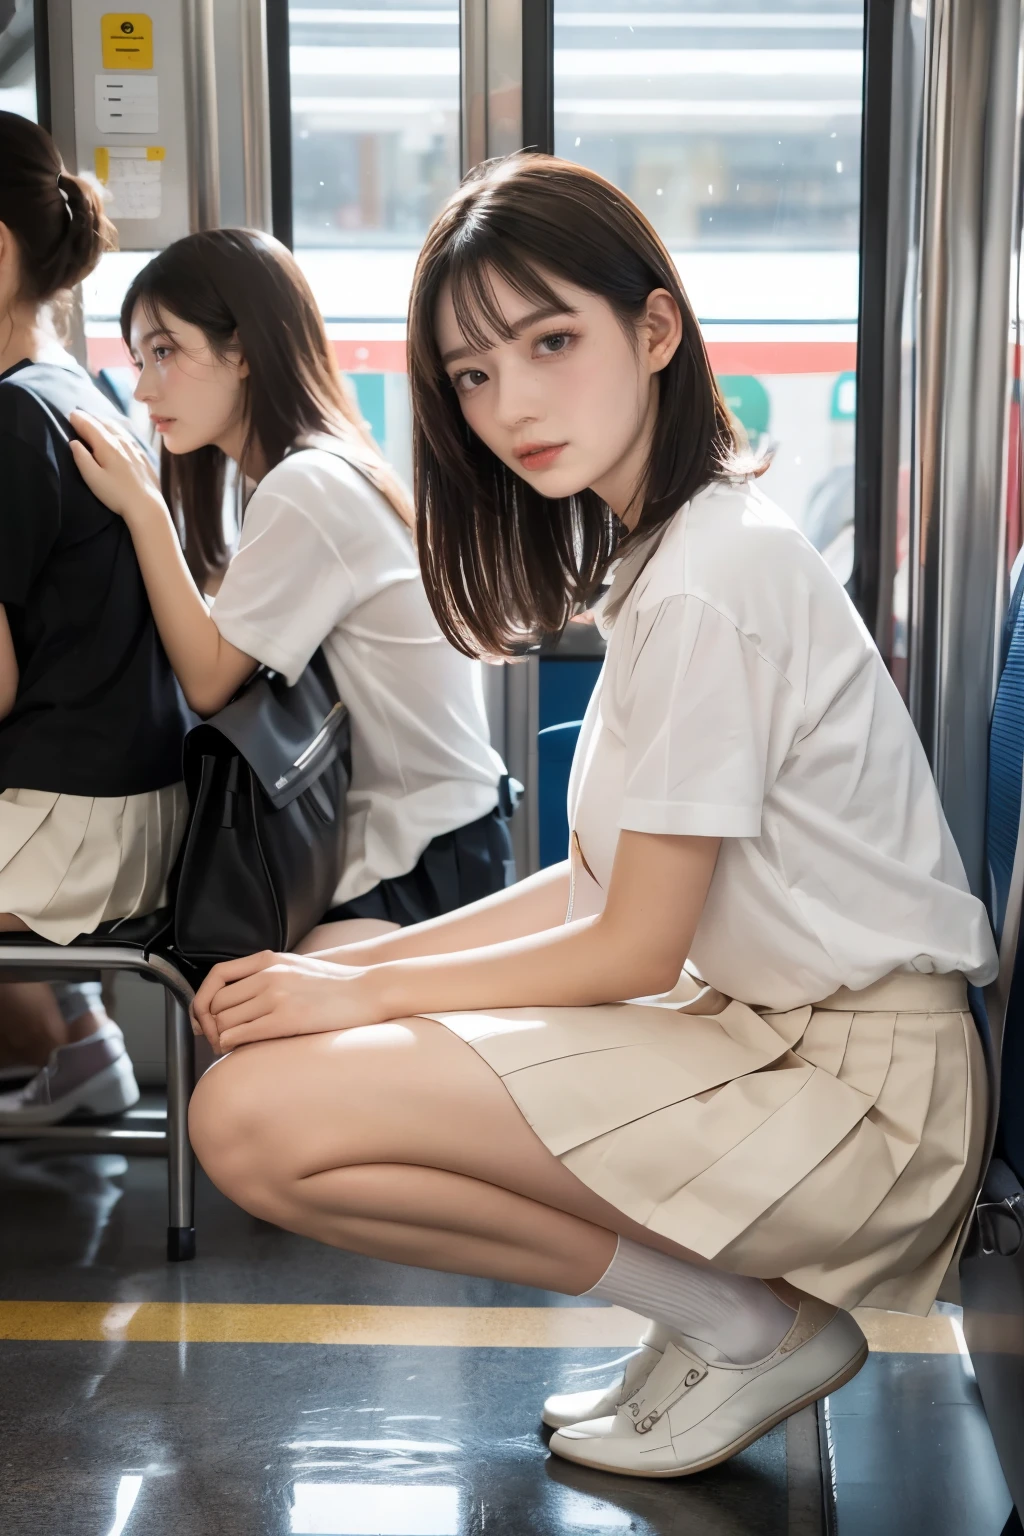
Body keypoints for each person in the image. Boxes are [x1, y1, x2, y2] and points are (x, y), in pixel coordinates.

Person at [184, 155, 997, 1480]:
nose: (513, 404)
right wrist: (359, 967)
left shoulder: (707, 579)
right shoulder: (677, 549)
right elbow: (591, 884)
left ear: (657, 330)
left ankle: (736, 1316)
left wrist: (364, 1001)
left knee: (248, 1122)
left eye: (552, 341)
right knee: (325, 983)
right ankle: (713, 1318)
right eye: (474, 374)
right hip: (771, 1041)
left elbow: (628, 949)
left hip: (852, 1102)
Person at [69, 228, 512, 944]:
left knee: (240, 1008)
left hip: (425, 856)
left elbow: (210, 679)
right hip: (442, 836)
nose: (144, 387)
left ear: (241, 351)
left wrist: (145, 508)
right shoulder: (315, 470)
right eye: (138, 359)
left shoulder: (306, 486)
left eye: (164, 352)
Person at [0, 112, 190, 1127]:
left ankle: (77, 1041)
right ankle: (82, 1047)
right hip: (130, 809)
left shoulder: (6, 417)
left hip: (68, 834)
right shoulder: (82, 389)